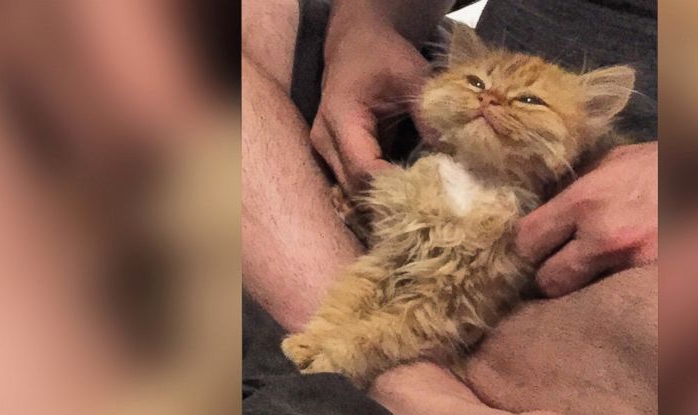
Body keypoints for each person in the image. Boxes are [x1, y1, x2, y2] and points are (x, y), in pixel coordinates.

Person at [241, 0, 657, 414]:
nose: (492, 100)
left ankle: (398, 374)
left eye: (528, 101)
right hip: (425, 150)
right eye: (478, 85)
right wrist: (368, 28)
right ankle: (365, 353)